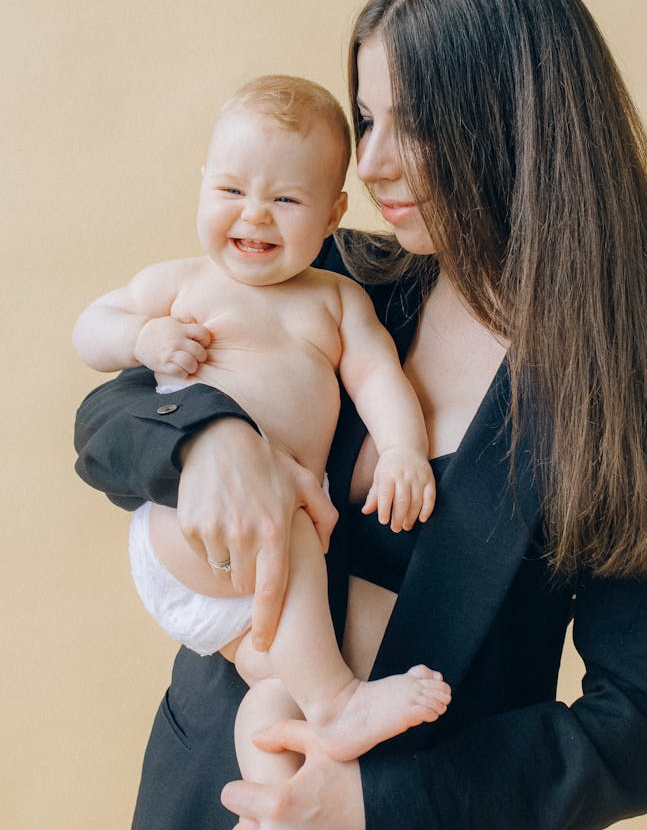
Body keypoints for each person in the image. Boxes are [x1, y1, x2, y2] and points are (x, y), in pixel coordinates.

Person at [74, 0, 647, 830]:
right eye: (366, 118)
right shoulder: (342, 282)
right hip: (201, 828)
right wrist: (210, 440)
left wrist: (389, 818)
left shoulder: (634, 406)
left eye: (417, 123)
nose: (374, 161)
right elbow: (108, 414)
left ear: (524, 127)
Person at [73, 75, 449, 777]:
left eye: (285, 199)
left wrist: (403, 449)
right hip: (189, 525)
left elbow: (377, 377)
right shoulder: (182, 283)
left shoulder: (336, 300)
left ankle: (272, 798)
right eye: (231, 190)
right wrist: (142, 339)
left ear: (334, 212)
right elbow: (90, 327)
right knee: (290, 523)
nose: (255, 215)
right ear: (203, 182)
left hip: (249, 580)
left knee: (278, 683)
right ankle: (340, 703)